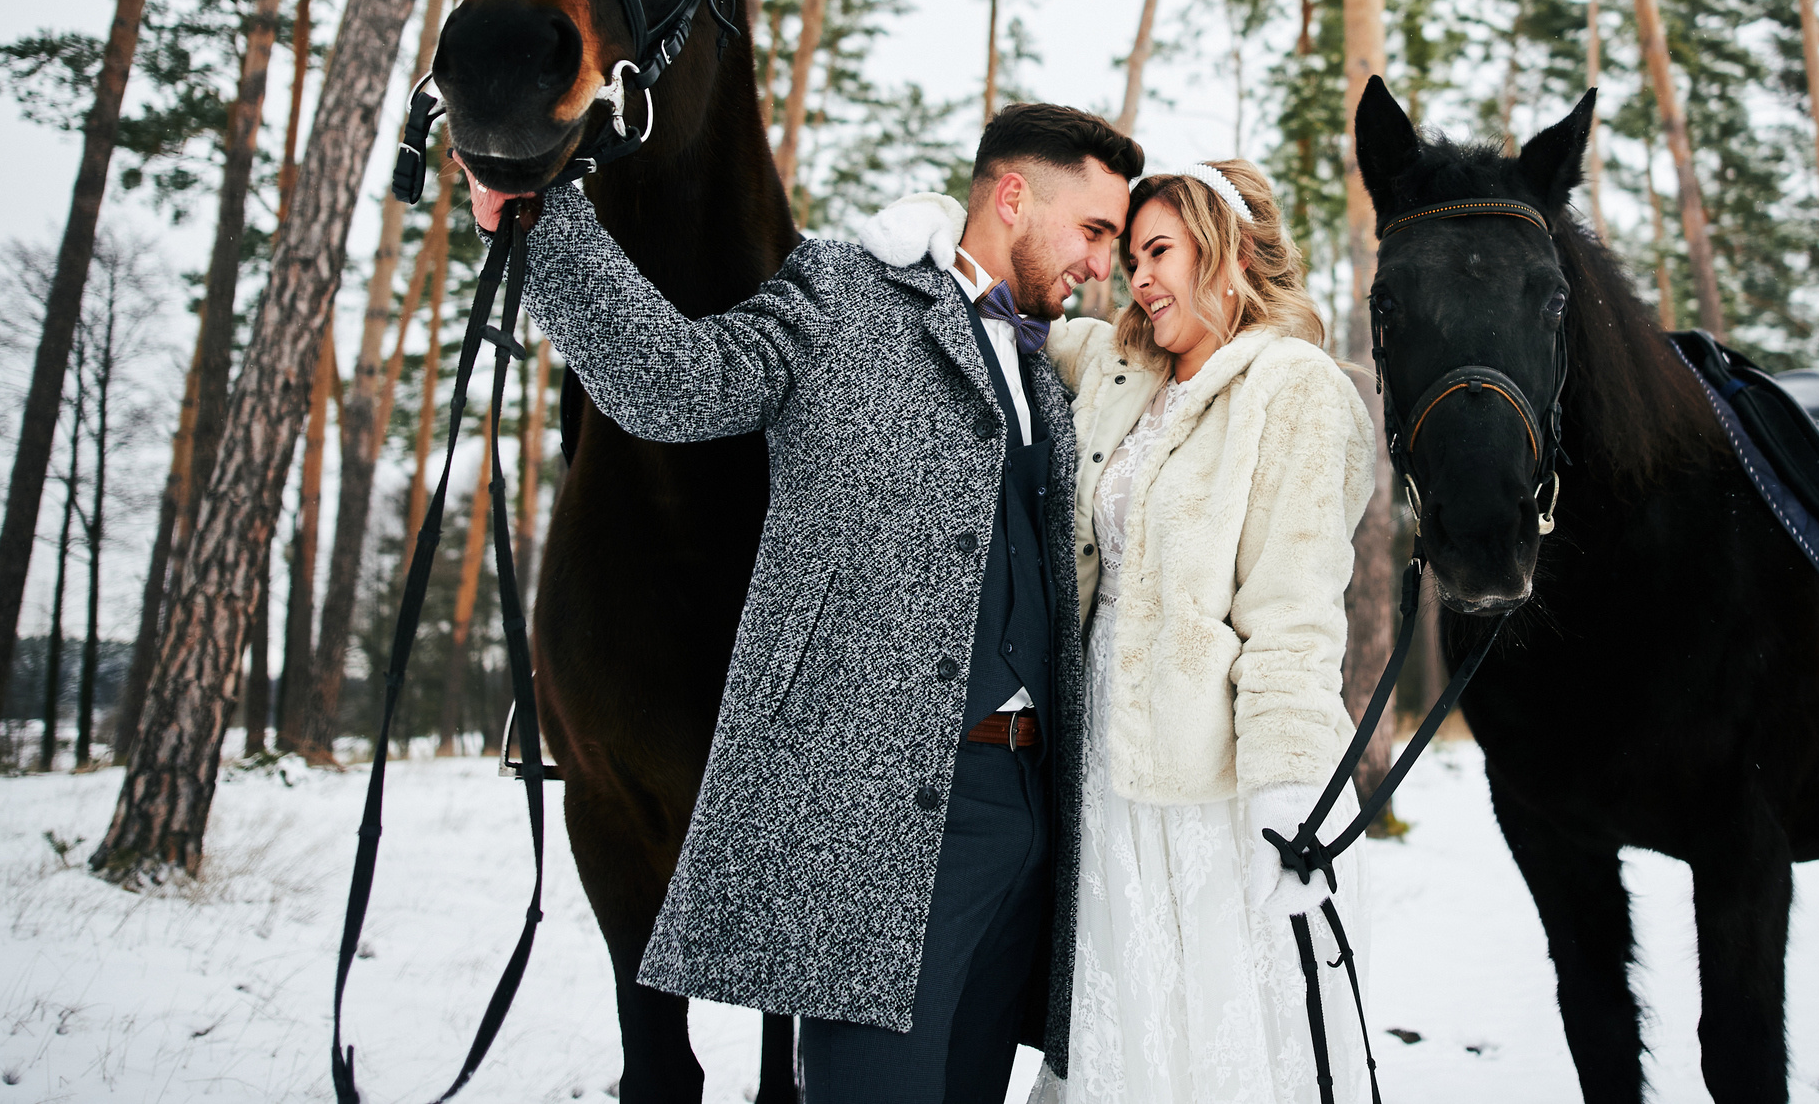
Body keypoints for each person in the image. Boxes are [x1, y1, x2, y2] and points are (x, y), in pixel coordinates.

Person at [463, 102, 1139, 1104]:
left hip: (1027, 819)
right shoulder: (843, 291)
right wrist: (541, 223)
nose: (1104, 263)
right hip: (883, 827)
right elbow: (676, 382)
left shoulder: (1043, 368)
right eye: (1094, 230)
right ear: (1011, 195)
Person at [859, 158, 1375, 1104]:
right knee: (1119, 1034)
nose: (1136, 277)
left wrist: (1291, 787)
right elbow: (998, 317)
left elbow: (1294, 614)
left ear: (1226, 254)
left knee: (1204, 1035)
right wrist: (946, 229)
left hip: (1209, 793)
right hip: (1099, 778)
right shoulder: (1117, 368)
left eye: (1160, 252)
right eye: (1130, 255)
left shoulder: (1291, 386)